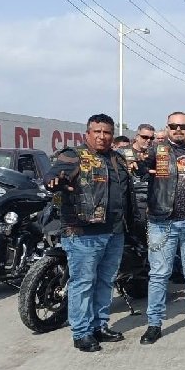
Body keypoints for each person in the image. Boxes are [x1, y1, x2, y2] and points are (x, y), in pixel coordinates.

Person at [44, 113, 134, 352]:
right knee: (83, 283)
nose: (102, 136)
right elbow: (53, 175)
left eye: (107, 132)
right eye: (97, 132)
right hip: (83, 232)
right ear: (88, 134)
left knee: (105, 281)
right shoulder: (74, 155)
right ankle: (81, 332)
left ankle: (99, 326)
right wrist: (55, 181)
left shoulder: (117, 159)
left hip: (115, 231)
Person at [136, 112, 185, 345]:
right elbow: (139, 167)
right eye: (173, 126)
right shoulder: (157, 149)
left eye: (182, 126)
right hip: (162, 222)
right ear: (167, 128)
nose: (178, 130)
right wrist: (140, 160)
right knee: (159, 275)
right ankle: (154, 324)